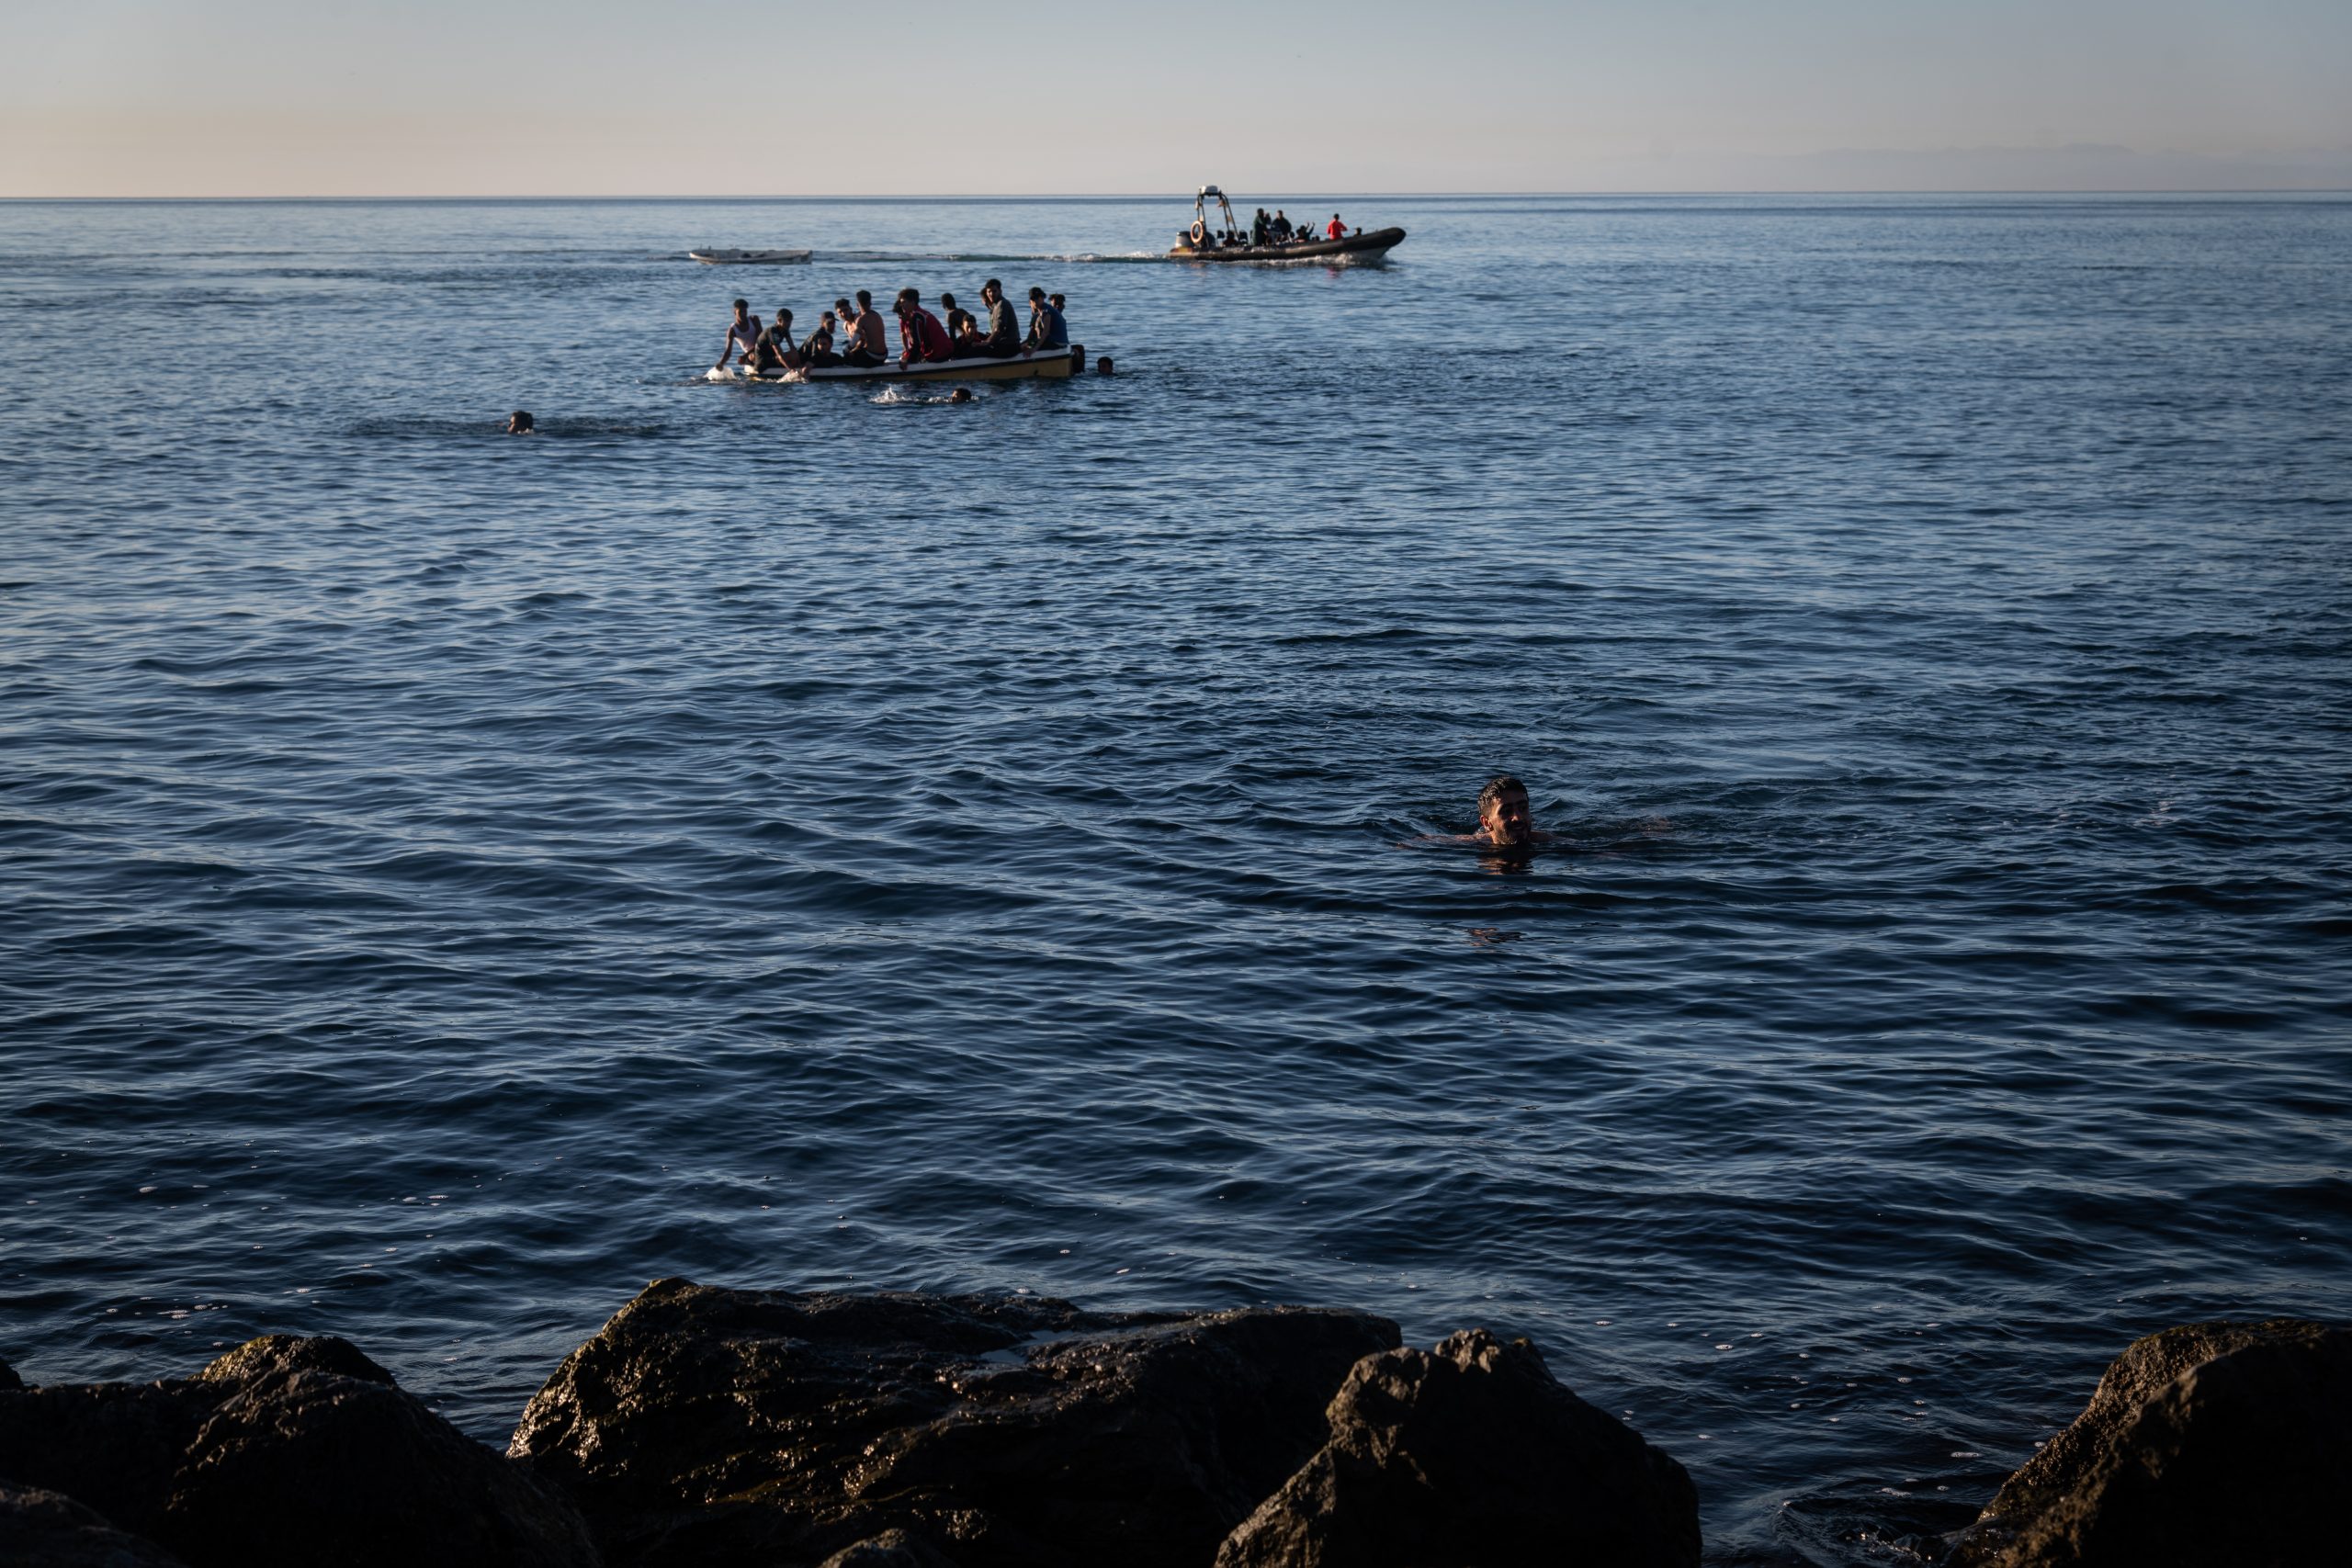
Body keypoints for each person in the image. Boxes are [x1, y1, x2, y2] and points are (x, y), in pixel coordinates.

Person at [893, 288, 954, 364]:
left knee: (910, 360)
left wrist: (908, 362)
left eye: (904, 302)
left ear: (913, 302)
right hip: (944, 350)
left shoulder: (917, 316)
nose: (901, 305)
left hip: (941, 353)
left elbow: (917, 345)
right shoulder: (920, 313)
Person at [964, 278, 1020, 358]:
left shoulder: (1002, 304)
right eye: (989, 291)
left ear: (1000, 291)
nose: (991, 294)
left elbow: (999, 328)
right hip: (1002, 344)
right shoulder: (995, 306)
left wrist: (987, 342)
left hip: (1009, 347)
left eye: (994, 291)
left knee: (974, 350)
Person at [842, 290, 888, 367]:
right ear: (870, 303)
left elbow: (856, 338)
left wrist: (847, 349)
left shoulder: (861, 319)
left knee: (847, 355)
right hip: (884, 355)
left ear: (857, 305)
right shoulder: (877, 315)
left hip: (873, 357)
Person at [714, 299, 761, 370]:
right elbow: (728, 352)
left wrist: (744, 356)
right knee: (754, 355)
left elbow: (760, 342)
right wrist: (721, 363)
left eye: (745, 311)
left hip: (760, 349)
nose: (743, 314)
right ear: (735, 312)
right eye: (740, 312)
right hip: (751, 355)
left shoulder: (754, 320)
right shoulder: (732, 330)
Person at [752, 308, 797, 372]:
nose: (789, 324)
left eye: (790, 321)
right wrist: (790, 370)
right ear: (779, 320)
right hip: (762, 363)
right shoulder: (773, 331)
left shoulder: (785, 329)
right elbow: (779, 353)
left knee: (794, 353)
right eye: (787, 321)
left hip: (772, 358)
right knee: (791, 355)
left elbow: (793, 348)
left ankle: (799, 367)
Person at [1023, 286, 1067, 351]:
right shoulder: (1045, 310)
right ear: (1031, 301)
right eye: (1034, 299)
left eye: (1038, 298)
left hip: (1055, 343)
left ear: (1043, 298)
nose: (1036, 301)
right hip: (1059, 342)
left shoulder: (1045, 311)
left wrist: (1034, 348)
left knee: (1024, 347)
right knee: (1025, 345)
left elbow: (1045, 332)